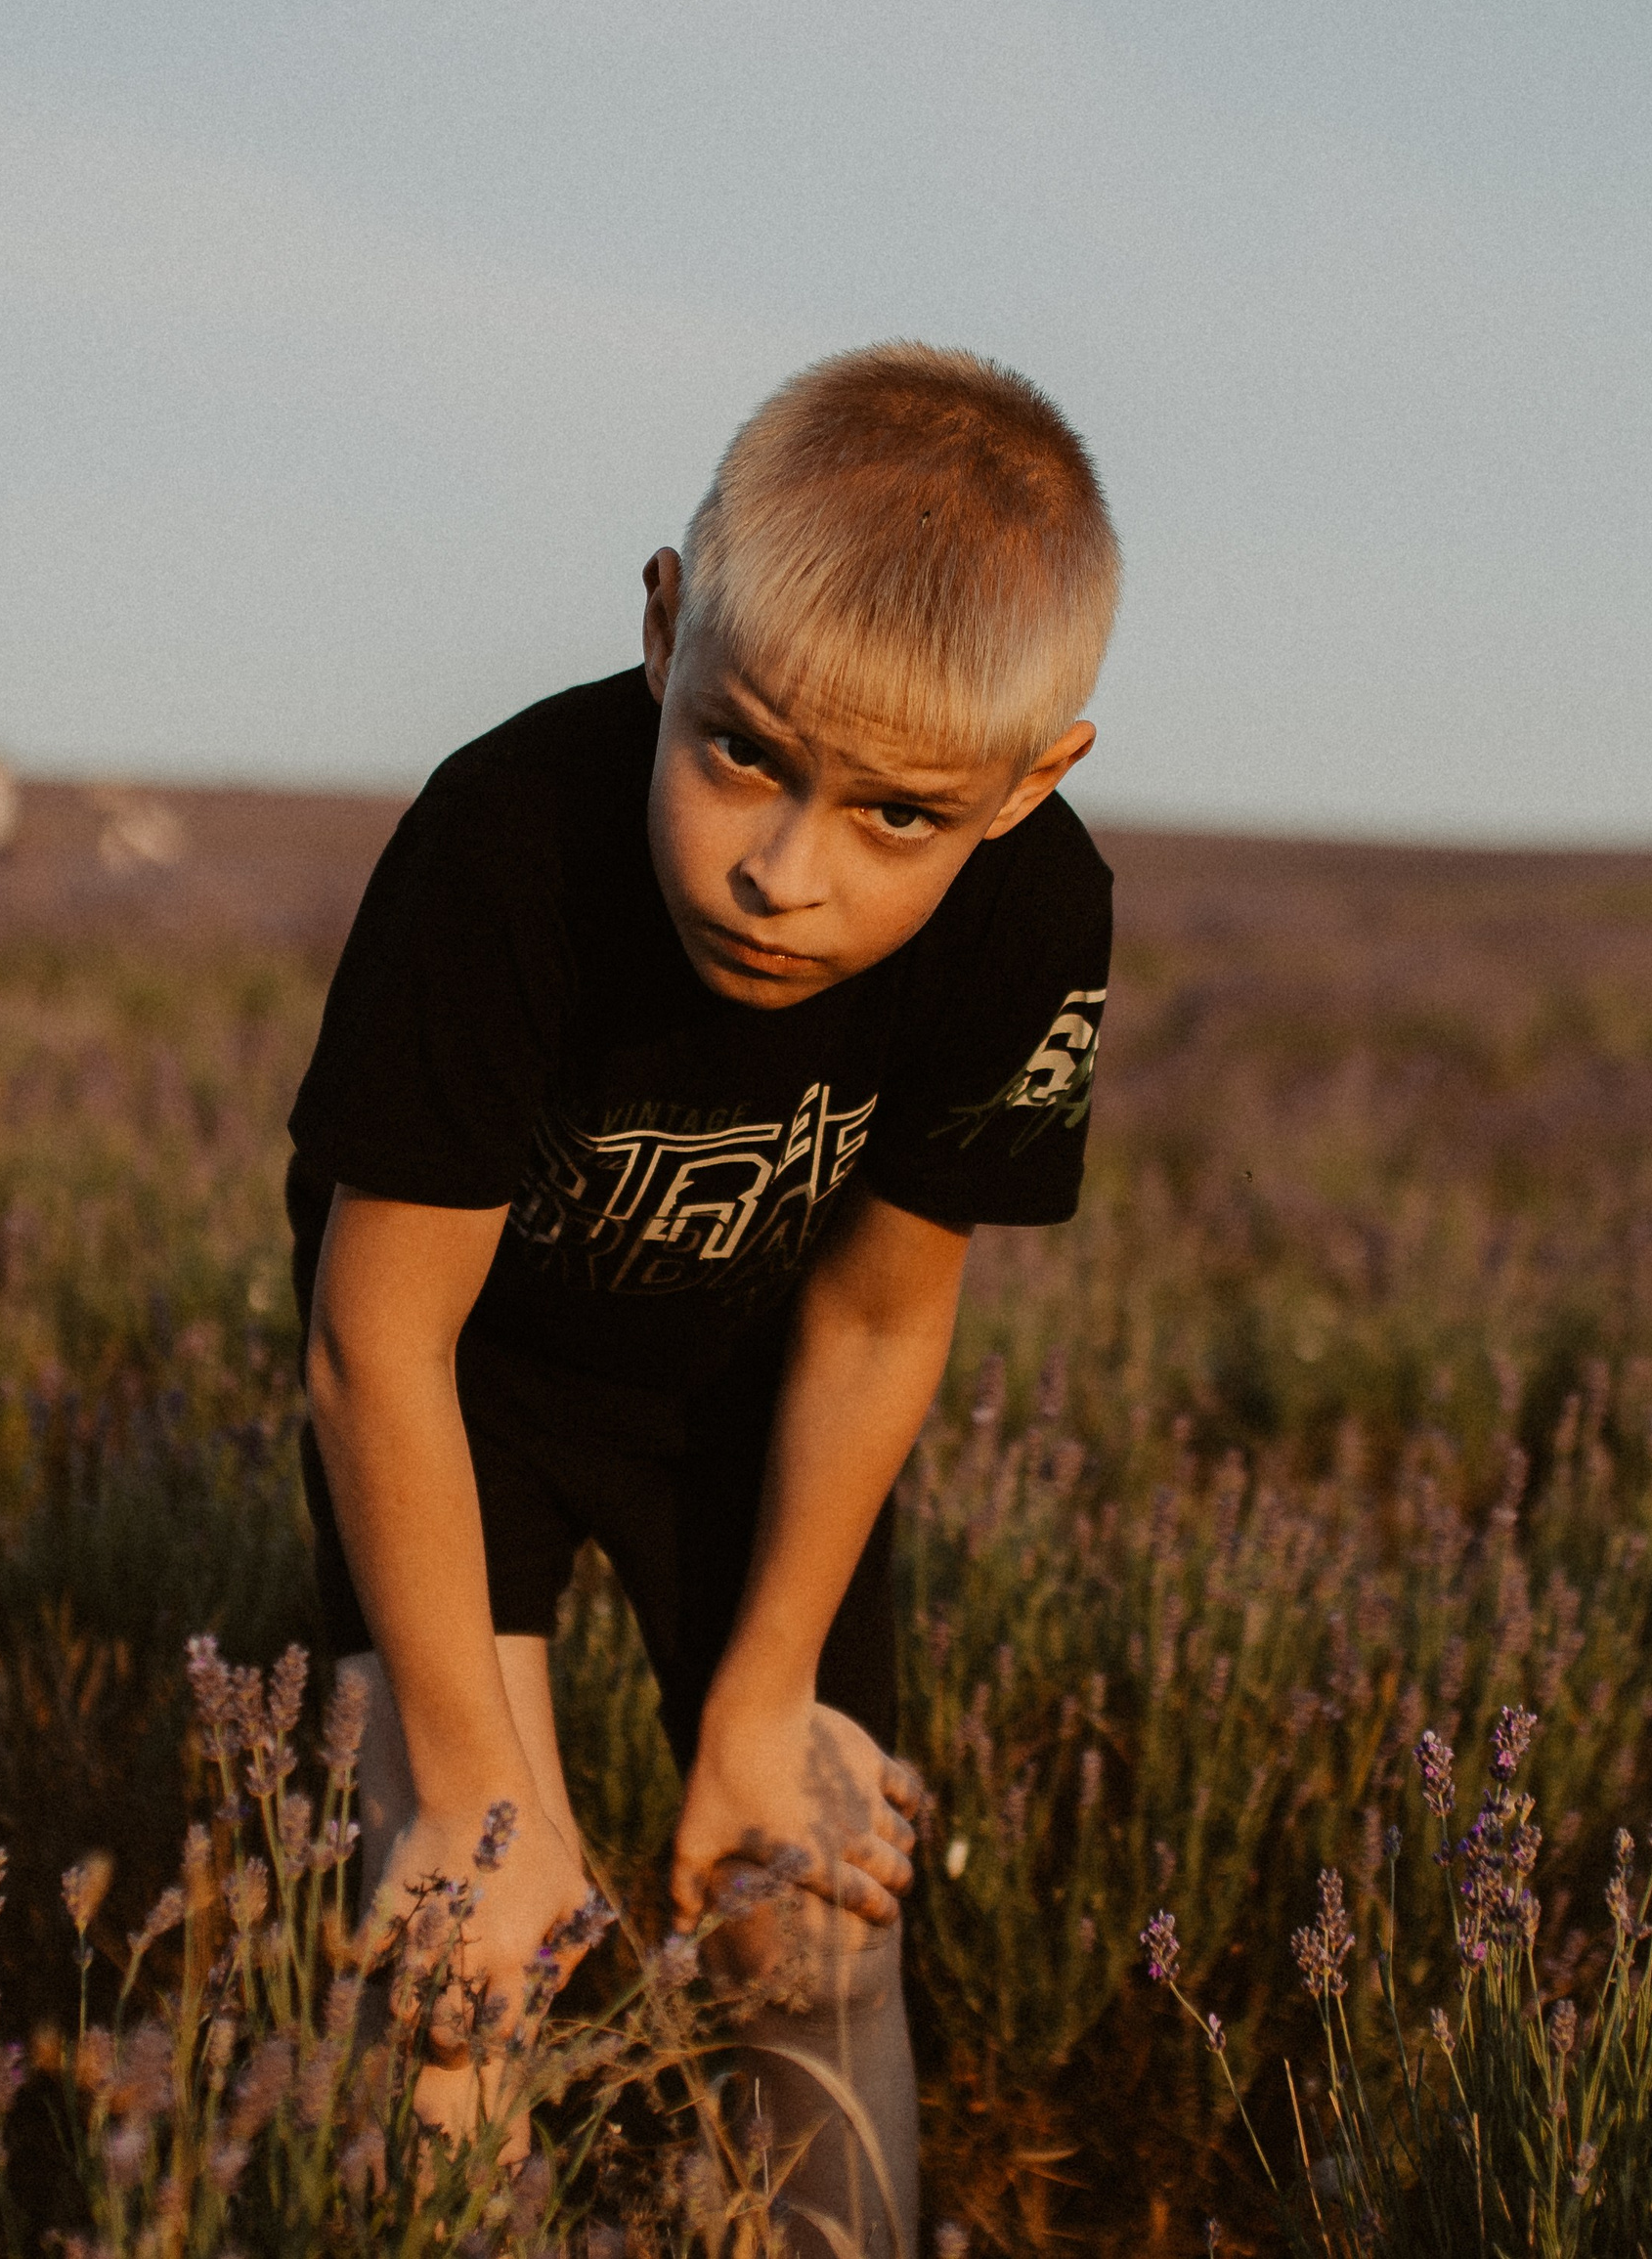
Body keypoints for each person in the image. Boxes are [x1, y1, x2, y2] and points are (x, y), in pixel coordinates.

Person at [284, 342, 1119, 2256]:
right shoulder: (503, 845)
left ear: (1023, 784)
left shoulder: (1033, 917)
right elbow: (371, 1339)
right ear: (664, 628)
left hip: (747, 1402)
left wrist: (759, 1706)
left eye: (894, 816)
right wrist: (473, 1790)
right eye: (742, 750)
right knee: (460, 1948)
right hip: (460, 1397)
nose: (778, 872)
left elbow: (878, 1320)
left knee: (807, 1916)